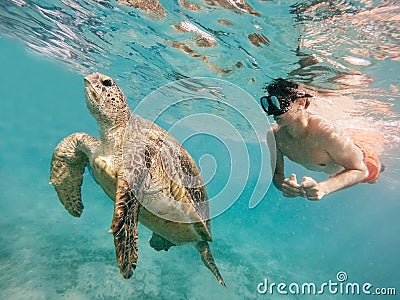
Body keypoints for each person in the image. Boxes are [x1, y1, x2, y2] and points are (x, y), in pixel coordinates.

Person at [261, 78, 383, 201]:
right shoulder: (274, 136)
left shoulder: (324, 132)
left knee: (372, 178)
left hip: (364, 161)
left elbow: (360, 170)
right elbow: (277, 175)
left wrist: (323, 188)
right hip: (336, 169)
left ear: (301, 102)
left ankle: (380, 169)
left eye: (278, 103)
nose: (272, 112)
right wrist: (284, 186)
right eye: (268, 104)